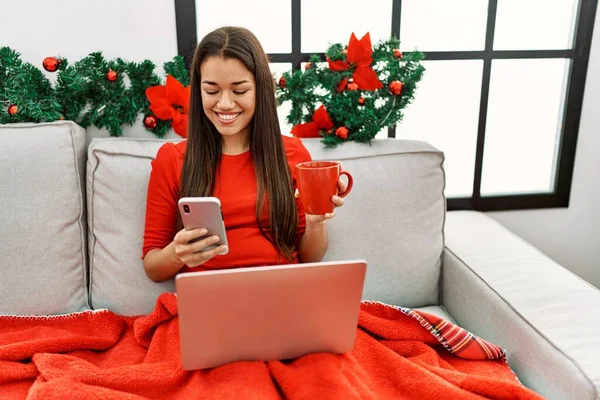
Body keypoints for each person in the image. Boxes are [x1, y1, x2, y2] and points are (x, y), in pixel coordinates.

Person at [142, 26, 348, 282]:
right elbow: (152, 266)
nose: (225, 104)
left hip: (283, 295)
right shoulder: (172, 158)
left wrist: (317, 222)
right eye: (211, 91)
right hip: (211, 302)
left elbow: (308, 257)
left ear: (260, 90)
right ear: (198, 91)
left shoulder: (293, 153)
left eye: (239, 91)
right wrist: (178, 253)